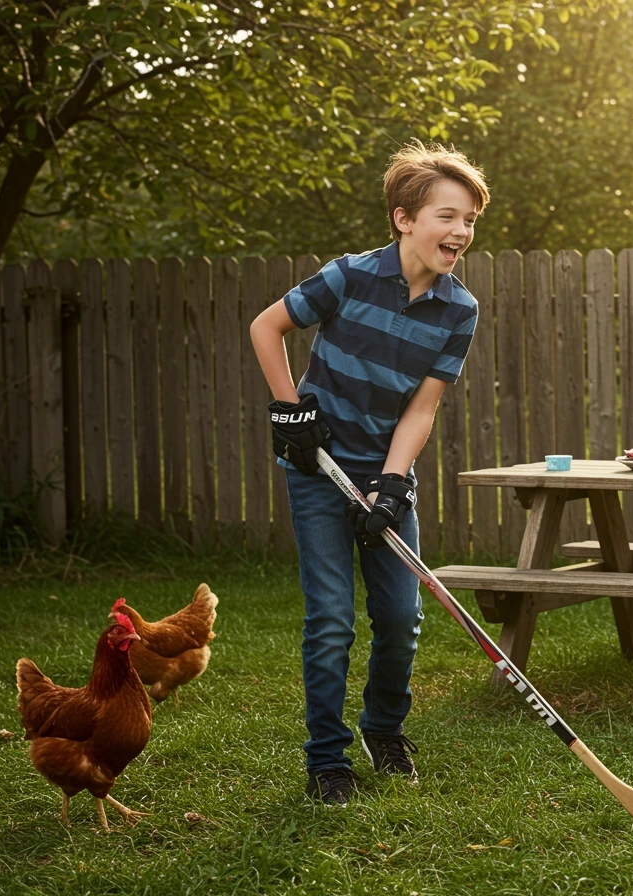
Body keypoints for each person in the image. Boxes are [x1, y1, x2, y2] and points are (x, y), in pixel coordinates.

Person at [249, 141, 488, 806]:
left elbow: (423, 406)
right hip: (318, 470)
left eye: (469, 220)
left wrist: (392, 480)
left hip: (385, 473)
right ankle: (328, 758)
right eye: (448, 216)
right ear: (404, 219)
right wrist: (290, 415)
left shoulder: (458, 311)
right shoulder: (349, 277)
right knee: (331, 619)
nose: (461, 232)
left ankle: (384, 731)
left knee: (399, 614)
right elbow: (266, 328)